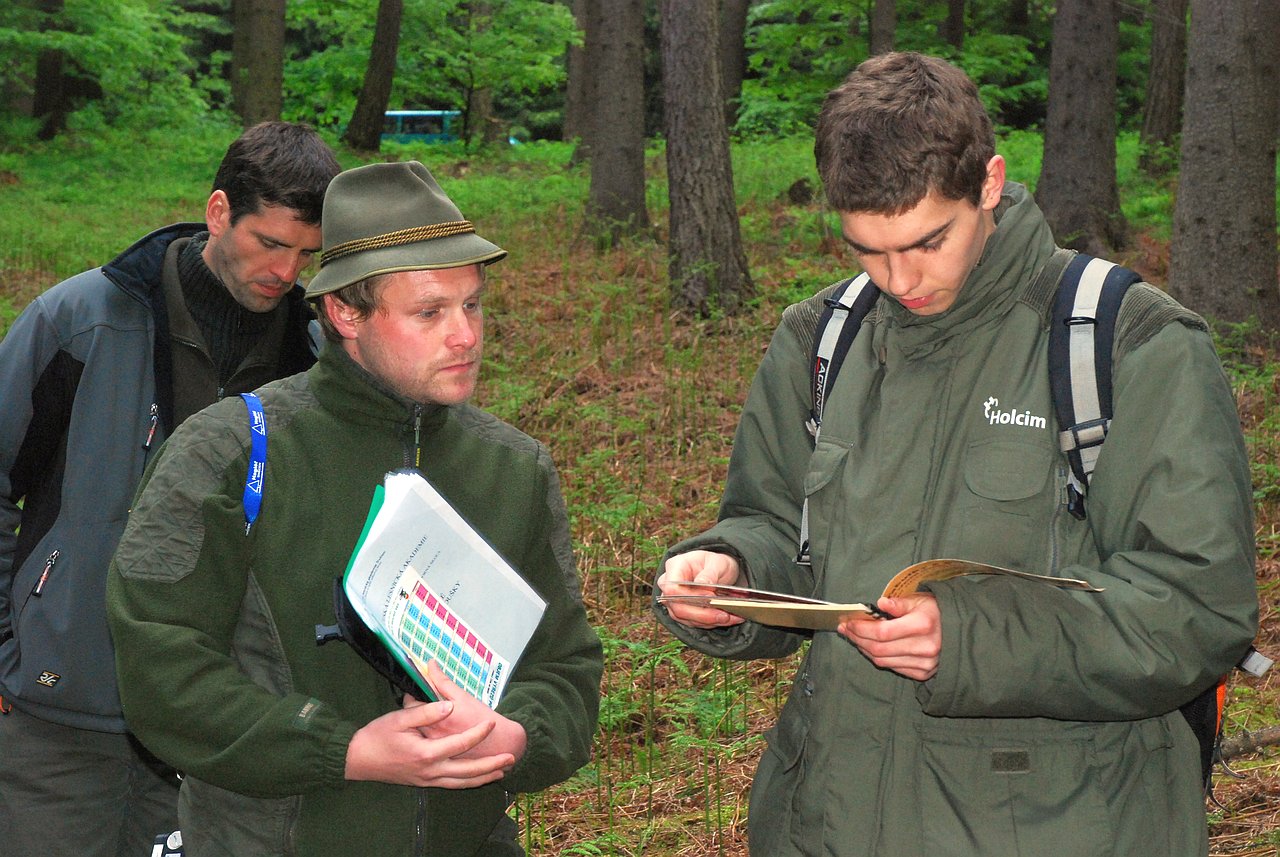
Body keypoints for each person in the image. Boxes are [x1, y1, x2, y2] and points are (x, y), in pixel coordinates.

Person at [654, 52, 1258, 857]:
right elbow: (780, 531)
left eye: (928, 241)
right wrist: (730, 572)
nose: (899, 278)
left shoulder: (1126, 343)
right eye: (866, 249)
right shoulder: (821, 340)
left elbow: (1200, 609)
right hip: (829, 818)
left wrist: (971, 638)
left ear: (989, 184)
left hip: (1054, 825)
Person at [105, 160, 603, 856]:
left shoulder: (512, 468)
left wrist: (516, 735)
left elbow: (565, 668)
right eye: (430, 312)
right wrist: (344, 751)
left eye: (472, 304)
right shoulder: (228, 453)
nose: (465, 335)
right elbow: (159, 666)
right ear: (345, 312)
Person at [0, 121, 340, 857]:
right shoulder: (82, 320)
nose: (287, 271)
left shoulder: (311, 363)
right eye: (270, 243)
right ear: (219, 212)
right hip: (57, 714)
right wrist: (7, 641)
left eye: (306, 254)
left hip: (214, 729)